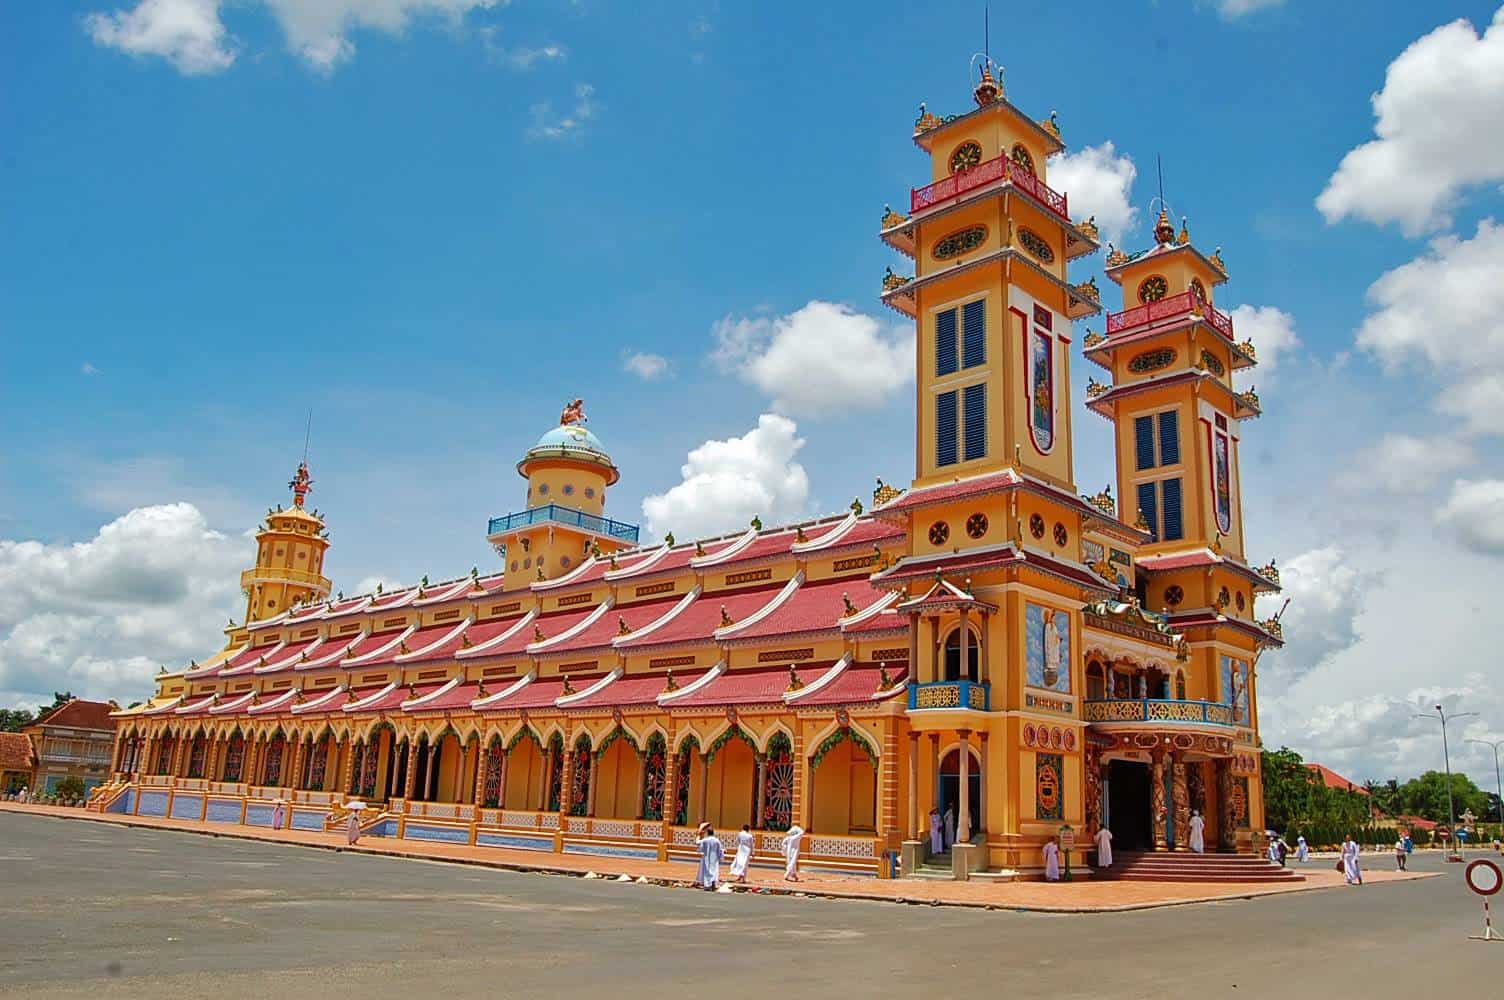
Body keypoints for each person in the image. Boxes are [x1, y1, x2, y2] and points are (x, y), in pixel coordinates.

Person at [695, 823, 724, 890]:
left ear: (707, 833)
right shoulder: (717, 840)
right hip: (714, 858)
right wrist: (720, 857)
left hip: (707, 858)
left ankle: (707, 885)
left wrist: (698, 835)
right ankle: (713, 883)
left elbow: (697, 843)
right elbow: (720, 849)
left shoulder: (705, 840)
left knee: (707, 871)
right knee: (714, 870)